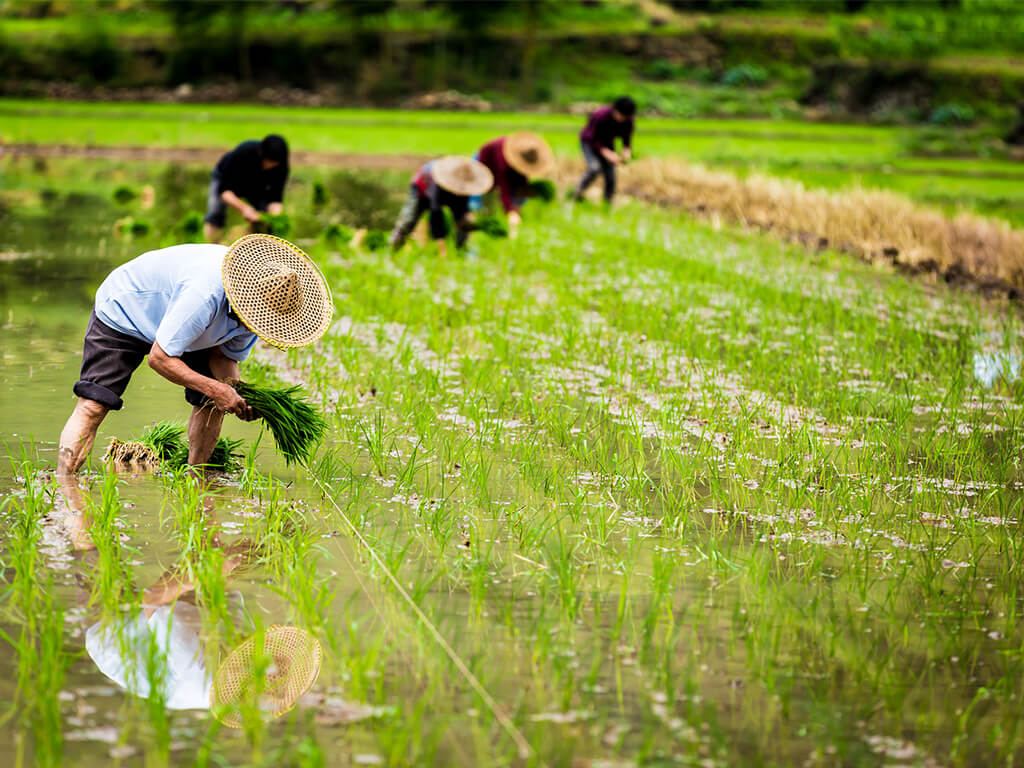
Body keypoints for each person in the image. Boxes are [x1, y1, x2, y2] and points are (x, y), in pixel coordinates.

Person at [56, 234, 334, 477]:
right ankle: (64, 486)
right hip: (126, 310)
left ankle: (196, 479)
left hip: (186, 327)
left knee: (212, 403)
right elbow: (160, 358)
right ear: (244, 296)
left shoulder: (260, 312)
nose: (257, 325)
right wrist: (216, 388)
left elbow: (224, 359)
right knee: (94, 405)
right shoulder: (204, 293)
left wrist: (237, 395)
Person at [389, 156, 493, 257]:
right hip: (422, 186)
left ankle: (461, 250)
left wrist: (473, 225)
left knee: (462, 222)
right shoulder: (438, 183)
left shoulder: (465, 188)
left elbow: (462, 212)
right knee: (409, 220)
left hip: (445, 191)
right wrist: (442, 249)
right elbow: (435, 216)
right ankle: (392, 250)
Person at [204, 135, 290, 243]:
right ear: (262, 155)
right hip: (228, 180)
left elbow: (275, 198)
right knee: (215, 214)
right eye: (269, 162)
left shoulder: (281, 164)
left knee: (263, 221)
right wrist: (244, 208)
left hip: (256, 184)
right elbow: (224, 191)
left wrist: (274, 217)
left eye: (274, 164)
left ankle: (248, 250)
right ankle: (213, 247)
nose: (270, 166)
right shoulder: (244, 152)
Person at [472, 132, 554, 238]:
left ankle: (510, 226)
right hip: (484, 164)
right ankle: (485, 227)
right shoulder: (503, 161)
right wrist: (511, 211)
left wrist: (519, 203)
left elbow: (522, 181)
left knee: (516, 197)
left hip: (505, 169)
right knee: (486, 203)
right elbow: (504, 187)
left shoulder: (522, 158)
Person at [573, 96, 637, 204]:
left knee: (610, 176)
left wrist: (626, 150)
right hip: (589, 143)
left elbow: (627, 137)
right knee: (594, 168)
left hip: (607, 143)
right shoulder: (600, 116)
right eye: (621, 116)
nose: (623, 119)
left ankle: (608, 203)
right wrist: (606, 152)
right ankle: (576, 194)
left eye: (626, 117)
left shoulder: (628, 120)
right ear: (615, 111)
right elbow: (591, 138)